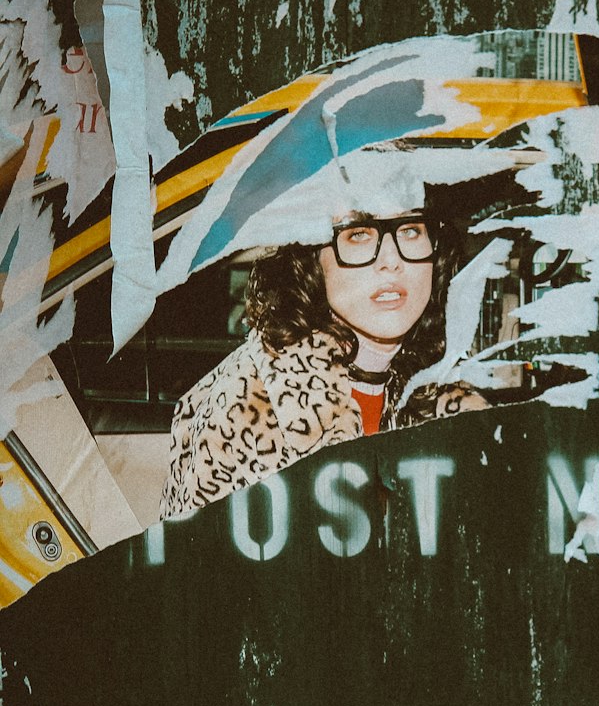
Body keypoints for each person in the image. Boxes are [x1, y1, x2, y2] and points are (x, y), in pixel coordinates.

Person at [159, 210, 486, 518]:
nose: (392, 260)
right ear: (309, 256)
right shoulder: (249, 404)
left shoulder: (448, 400)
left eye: (411, 229)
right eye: (358, 234)